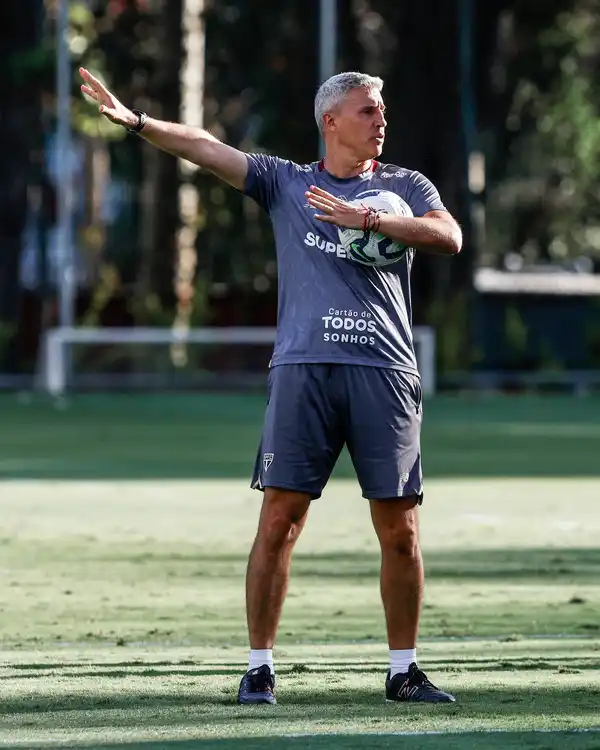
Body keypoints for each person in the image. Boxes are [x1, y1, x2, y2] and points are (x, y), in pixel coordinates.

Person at [80, 67, 462, 706]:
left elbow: (449, 236)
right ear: (331, 121)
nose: (381, 120)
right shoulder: (288, 182)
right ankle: (259, 667)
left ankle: (404, 671)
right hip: (303, 371)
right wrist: (138, 122)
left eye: (382, 110)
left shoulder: (405, 186)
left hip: (386, 372)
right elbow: (207, 148)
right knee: (280, 520)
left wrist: (369, 219)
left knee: (401, 530)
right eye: (367, 111)